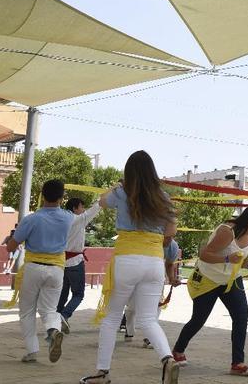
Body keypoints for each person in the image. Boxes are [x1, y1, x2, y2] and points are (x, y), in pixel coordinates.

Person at [80, 150, 180, 384]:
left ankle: (101, 373)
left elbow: (102, 202)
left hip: (126, 259)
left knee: (112, 317)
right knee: (148, 319)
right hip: (154, 261)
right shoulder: (163, 197)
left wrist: (118, 186)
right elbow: (171, 232)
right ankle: (167, 360)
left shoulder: (122, 192)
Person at [172, 205, 248, 377]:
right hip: (208, 280)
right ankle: (178, 350)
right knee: (198, 319)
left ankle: (237, 363)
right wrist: (226, 258)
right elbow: (204, 255)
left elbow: (241, 260)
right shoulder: (227, 231)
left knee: (241, 316)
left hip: (231, 280)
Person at [5, 179, 73, 363]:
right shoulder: (68, 217)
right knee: (50, 309)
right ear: (61, 197)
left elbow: (10, 247)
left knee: (27, 311)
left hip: (33, 267)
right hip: (57, 269)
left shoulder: (32, 219)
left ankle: (32, 350)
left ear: (42, 195)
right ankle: (53, 330)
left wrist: (14, 237)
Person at [125, 236, 182, 348]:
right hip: (135, 274)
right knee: (131, 308)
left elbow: (169, 264)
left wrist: (171, 278)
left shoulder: (173, 246)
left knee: (155, 307)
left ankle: (149, 337)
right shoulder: (141, 238)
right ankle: (129, 330)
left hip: (156, 276)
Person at [56, 197, 102, 333]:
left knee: (63, 293)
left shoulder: (61, 220)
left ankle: (56, 320)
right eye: (82, 207)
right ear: (75, 208)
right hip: (75, 262)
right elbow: (97, 206)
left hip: (60, 261)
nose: (83, 210)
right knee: (78, 294)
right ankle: (64, 315)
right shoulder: (79, 219)